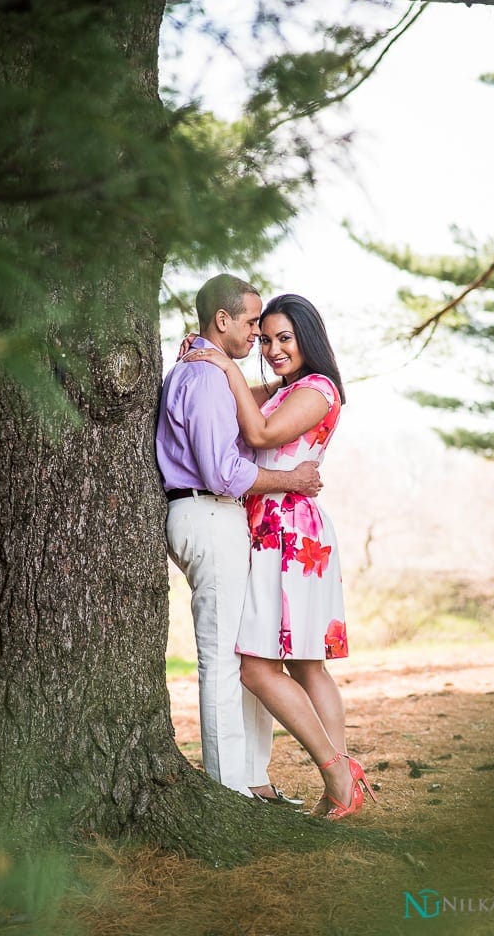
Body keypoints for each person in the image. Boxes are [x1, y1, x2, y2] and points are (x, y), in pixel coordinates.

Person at [184, 293, 376, 820]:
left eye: (283, 338)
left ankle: (338, 771)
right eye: (265, 339)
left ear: (307, 338)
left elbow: (260, 432)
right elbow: (245, 395)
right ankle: (339, 785)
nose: (270, 349)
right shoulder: (287, 388)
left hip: (288, 531)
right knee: (306, 664)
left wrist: (222, 360)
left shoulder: (318, 389)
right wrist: (207, 355)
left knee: (257, 668)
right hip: (274, 526)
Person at [155, 274, 322, 802]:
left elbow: (239, 405)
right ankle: (231, 791)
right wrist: (292, 481)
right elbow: (223, 470)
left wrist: (264, 382)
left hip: (221, 517)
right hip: (208, 511)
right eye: (252, 323)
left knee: (246, 651)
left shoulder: (210, 372)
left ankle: (255, 781)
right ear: (221, 320)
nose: (258, 334)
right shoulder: (203, 377)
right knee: (224, 658)